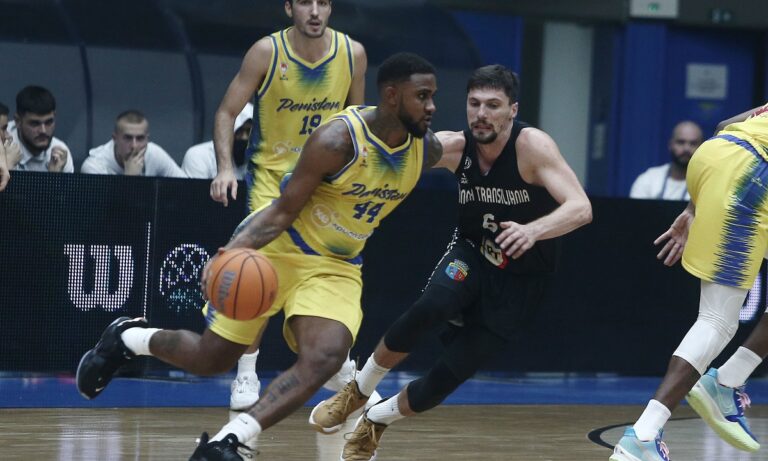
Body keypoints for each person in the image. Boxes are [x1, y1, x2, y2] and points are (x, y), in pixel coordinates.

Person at [76, 52, 439, 460]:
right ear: (391, 96)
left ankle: (231, 440)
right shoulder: (337, 141)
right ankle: (128, 339)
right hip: (279, 249)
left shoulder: (425, 148)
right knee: (210, 358)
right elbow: (281, 212)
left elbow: (469, 150)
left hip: (335, 266)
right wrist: (229, 254)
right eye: (422, 96)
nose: (431, 106)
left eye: (432, 96)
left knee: (326, 356)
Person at [308, 64, 593, 460]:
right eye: (474, 103)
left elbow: (581, 208)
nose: (481, 114)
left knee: (444, 379)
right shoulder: (454, 146)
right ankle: (357, 390)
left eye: (493, 105)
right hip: (472, 254)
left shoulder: (532, 147)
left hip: (522, 281)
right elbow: (390, 153)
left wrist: (533, 231)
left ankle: (377, 419)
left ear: (512, 110)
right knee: (431, 305)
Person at [210, 0, 368, 411]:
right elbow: (227, 112)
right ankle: (247, 371)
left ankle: (332, 359)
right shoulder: (266, 52)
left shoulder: (352, 53)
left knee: (326, 270)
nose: (314, 11)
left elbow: (357, 123)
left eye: (323, 2)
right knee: (257, 270)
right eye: (304, 2)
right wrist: (225, 168)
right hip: (271, 179)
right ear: (288, 8)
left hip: (325, 185)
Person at [610, 102, 768, 461]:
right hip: (752, 174)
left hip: (715, 157)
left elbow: (726, 124)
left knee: (716, 319)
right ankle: (644, 436)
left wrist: (696, 205)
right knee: (717, 321)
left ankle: (727, 380)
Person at [81, 110, 185, 177]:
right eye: (128, 138)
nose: (134, 146)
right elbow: (105, 206)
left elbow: (186, 188)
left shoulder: (154, 154)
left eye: (140, 138)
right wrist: (130, 179)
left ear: (147, 139)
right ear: (115, 139)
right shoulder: (94, 166)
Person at [629, 120, 703, 200]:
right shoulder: (648, 179)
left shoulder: (706, 182)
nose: (686, 149)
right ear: (670, 145)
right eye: (680, 142)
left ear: (702, 147)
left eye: (693, 143)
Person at [8, 85, 73, 173]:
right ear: (18, 121)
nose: (43, 131)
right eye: (35, 124)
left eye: (49, 122)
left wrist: (55, 177)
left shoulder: (60, 153)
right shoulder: (3, 146)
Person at [182, 104, 254, 180]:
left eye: (249, 131)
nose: (244, 137)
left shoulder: (253, 160)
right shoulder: (199, 156)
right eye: (239, 131)